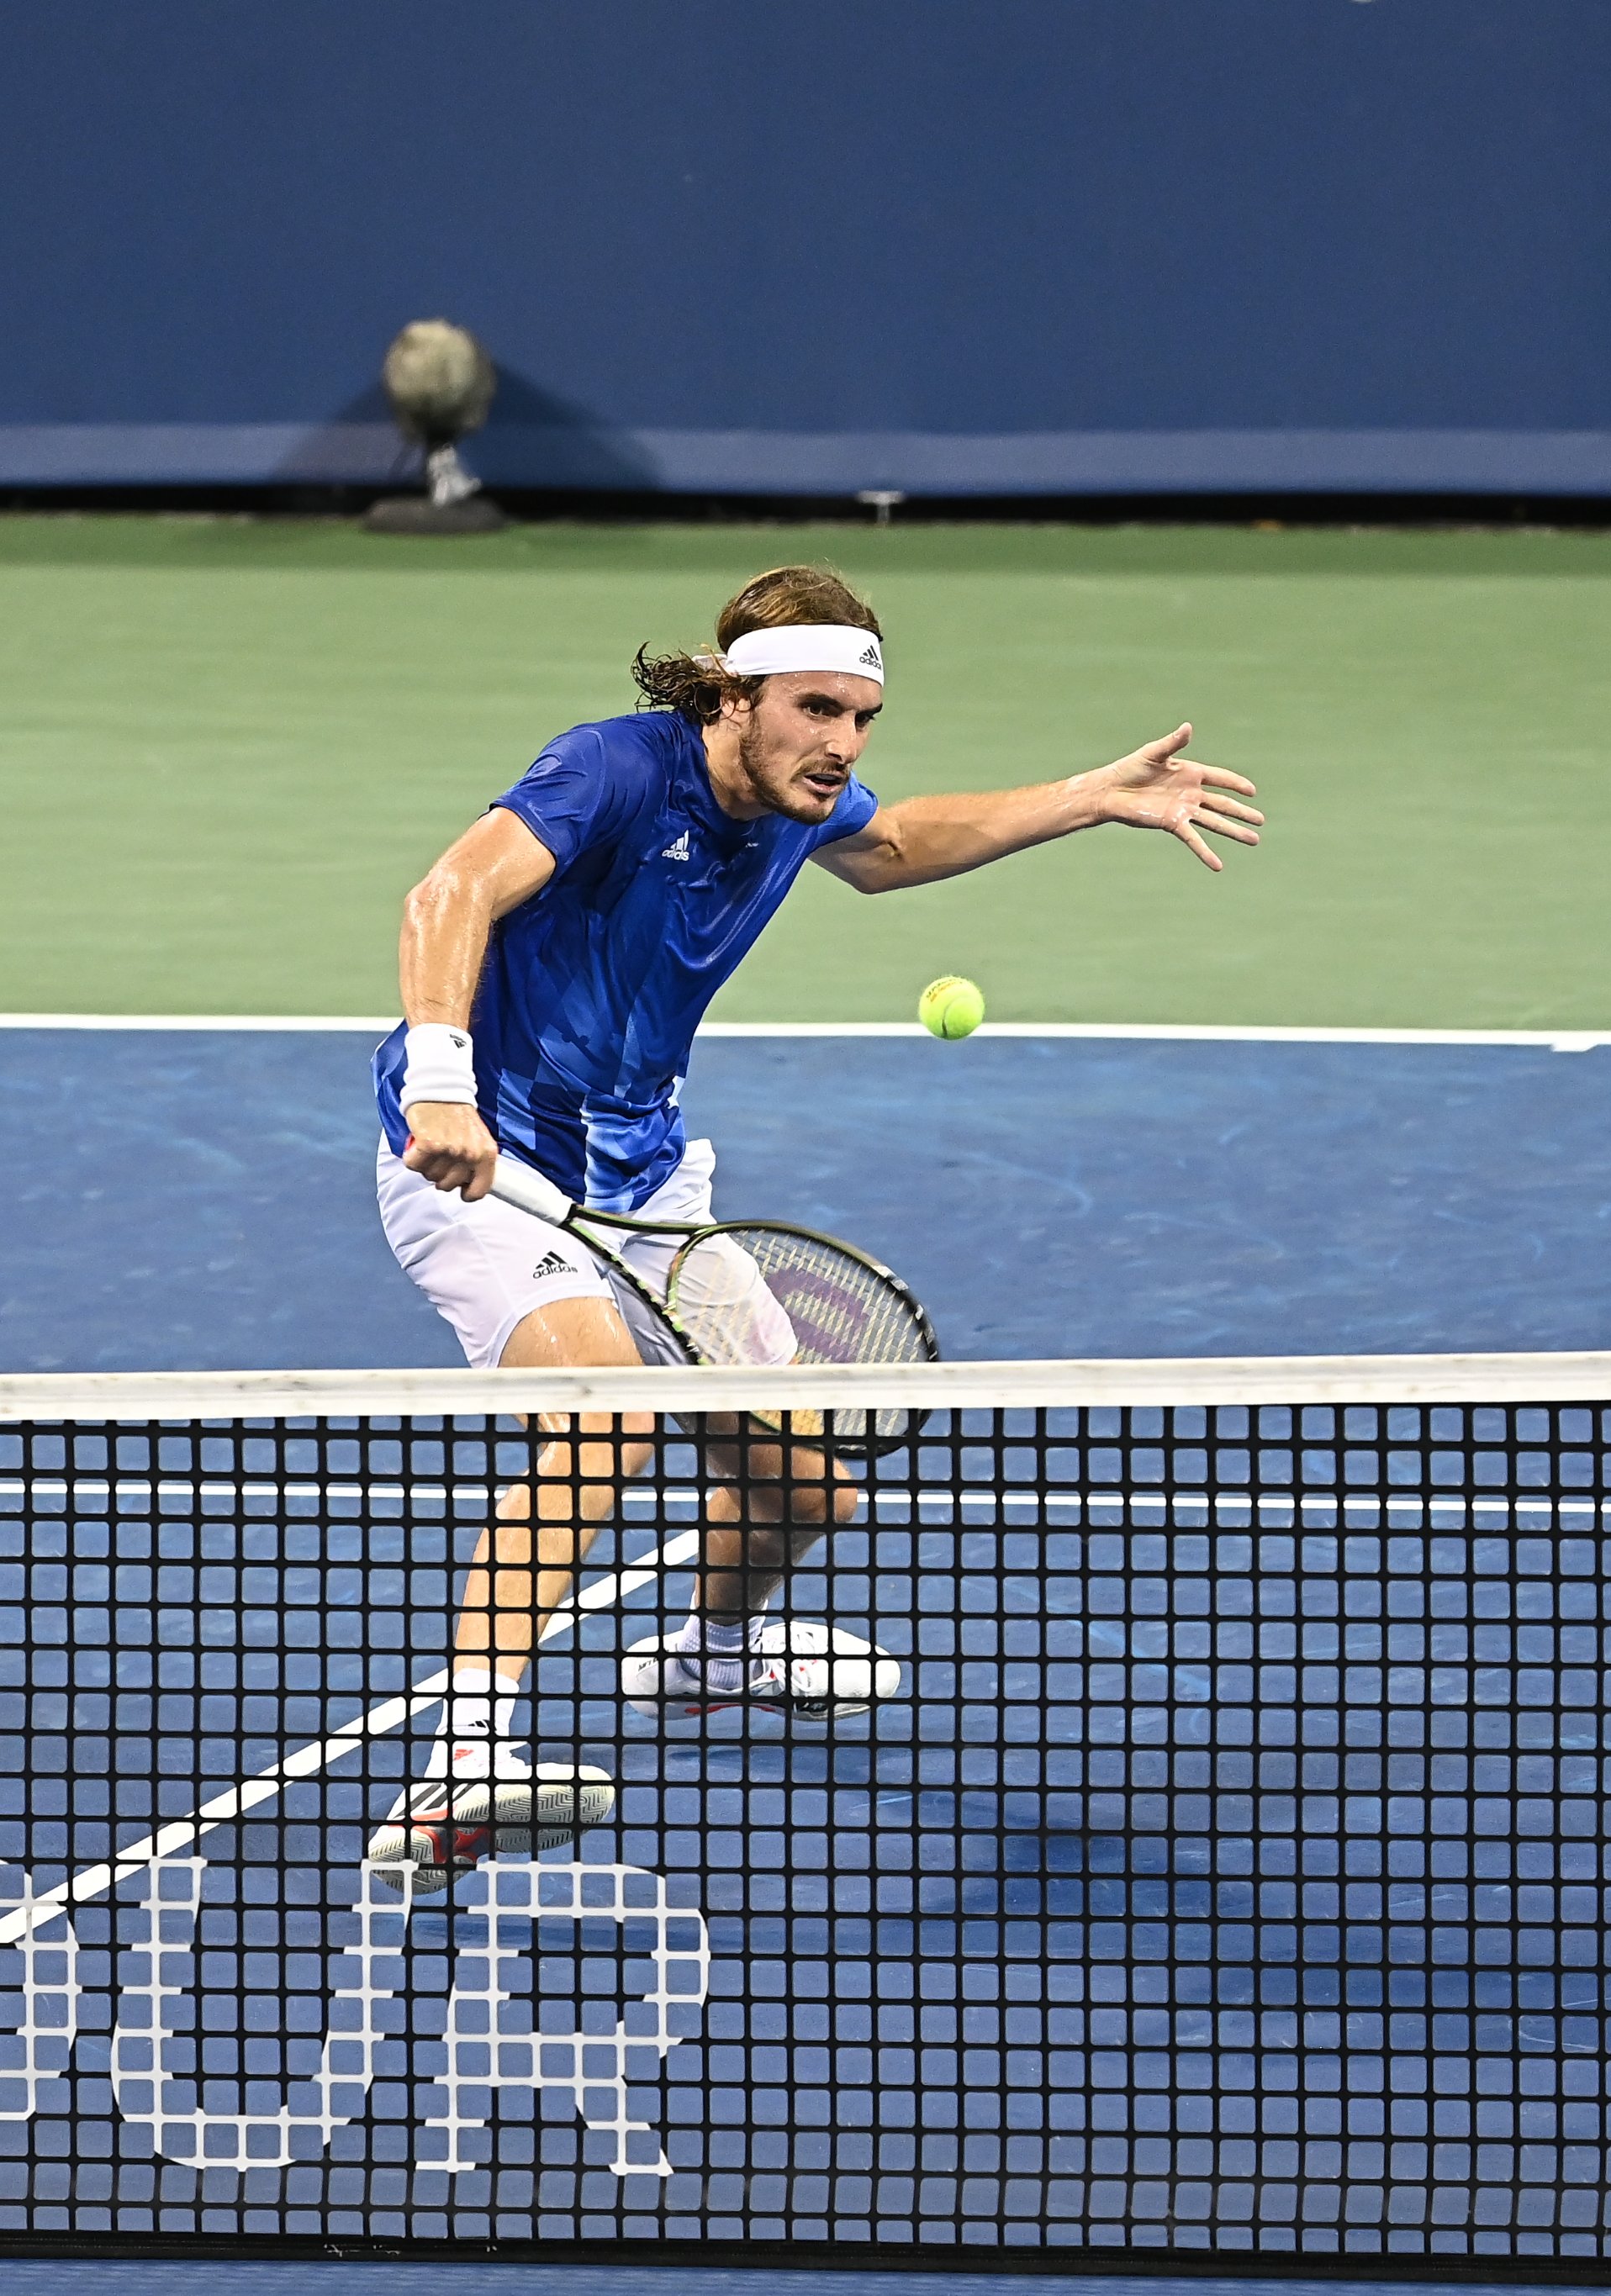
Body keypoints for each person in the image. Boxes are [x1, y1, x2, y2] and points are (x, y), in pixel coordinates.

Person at [362, 563, 1262, 1889]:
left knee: (809, 1485)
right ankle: (463, 1763)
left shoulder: (801, 806)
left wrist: (1083, 798)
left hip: (648, 1184)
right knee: (600, 1418)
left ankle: (706, 1659)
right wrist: (443, 1084)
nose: (841, 744)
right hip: (488, 1168)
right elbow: (447, 895)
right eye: (817, 710)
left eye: (862, 718)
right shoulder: (611, 771)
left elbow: (893, 851)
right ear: (735, 698)